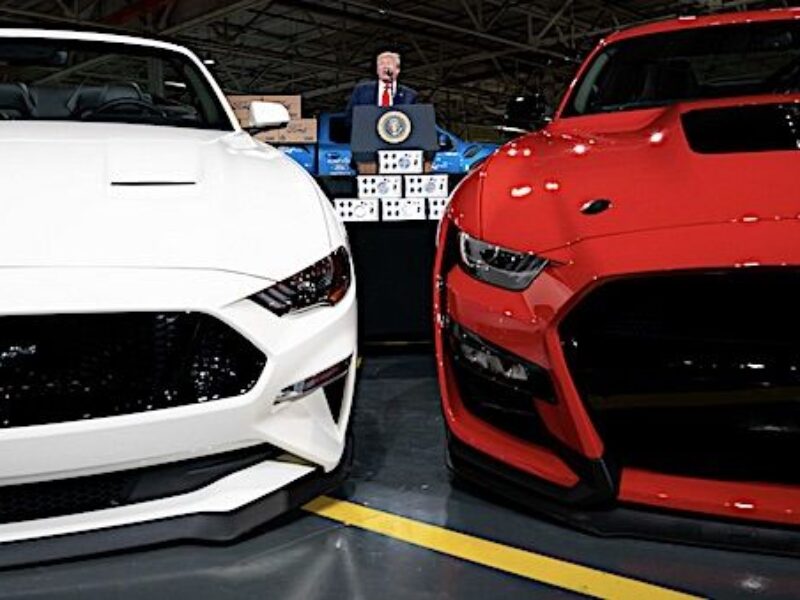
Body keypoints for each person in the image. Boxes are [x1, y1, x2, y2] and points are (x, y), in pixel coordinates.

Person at [346, 51, 417, 123]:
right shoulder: (362, 91)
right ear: (377, 70)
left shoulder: (409, 95)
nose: (385, 66)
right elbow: (349, 117)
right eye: (381, 64)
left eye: (389, 63)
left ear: (397, 70)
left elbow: (414, 121)